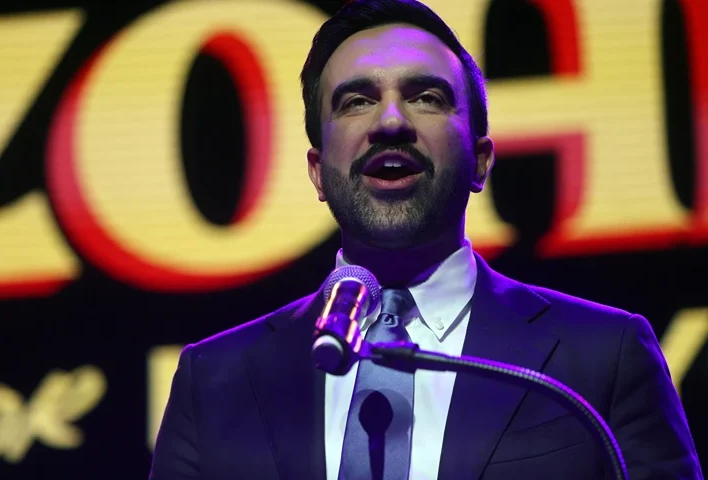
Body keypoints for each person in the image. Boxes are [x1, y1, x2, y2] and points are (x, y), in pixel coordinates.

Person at [148, 0, 703, 478]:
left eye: (427, 97)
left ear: (480, 161)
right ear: (317, 171)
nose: (391, 121)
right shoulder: (216, 382)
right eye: (356, 100)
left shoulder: (603, 358)